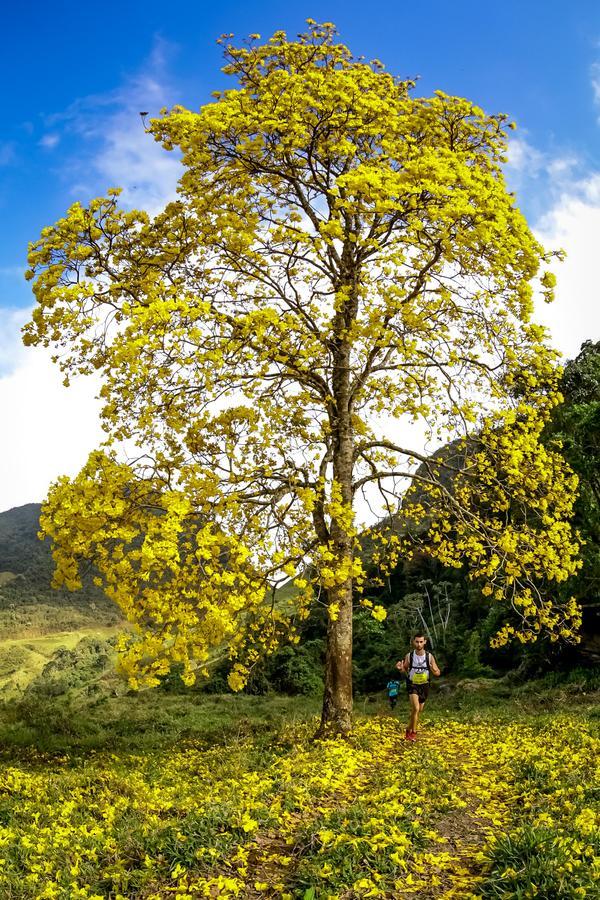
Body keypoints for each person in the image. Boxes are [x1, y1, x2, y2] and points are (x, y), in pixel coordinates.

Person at [396, 633, 441, 741]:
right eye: (417, 642)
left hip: (424, 685)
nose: (419, 644)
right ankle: (413, 733)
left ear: (425, 642)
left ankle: (408, 729)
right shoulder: (409, 656)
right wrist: (400, 668)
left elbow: (438, 673)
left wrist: (434, 670)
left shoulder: (429, 656)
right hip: (412, 684)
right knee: (415, 708)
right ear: (413, 642)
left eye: (421, 642)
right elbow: (404, 670)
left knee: (418, 710)